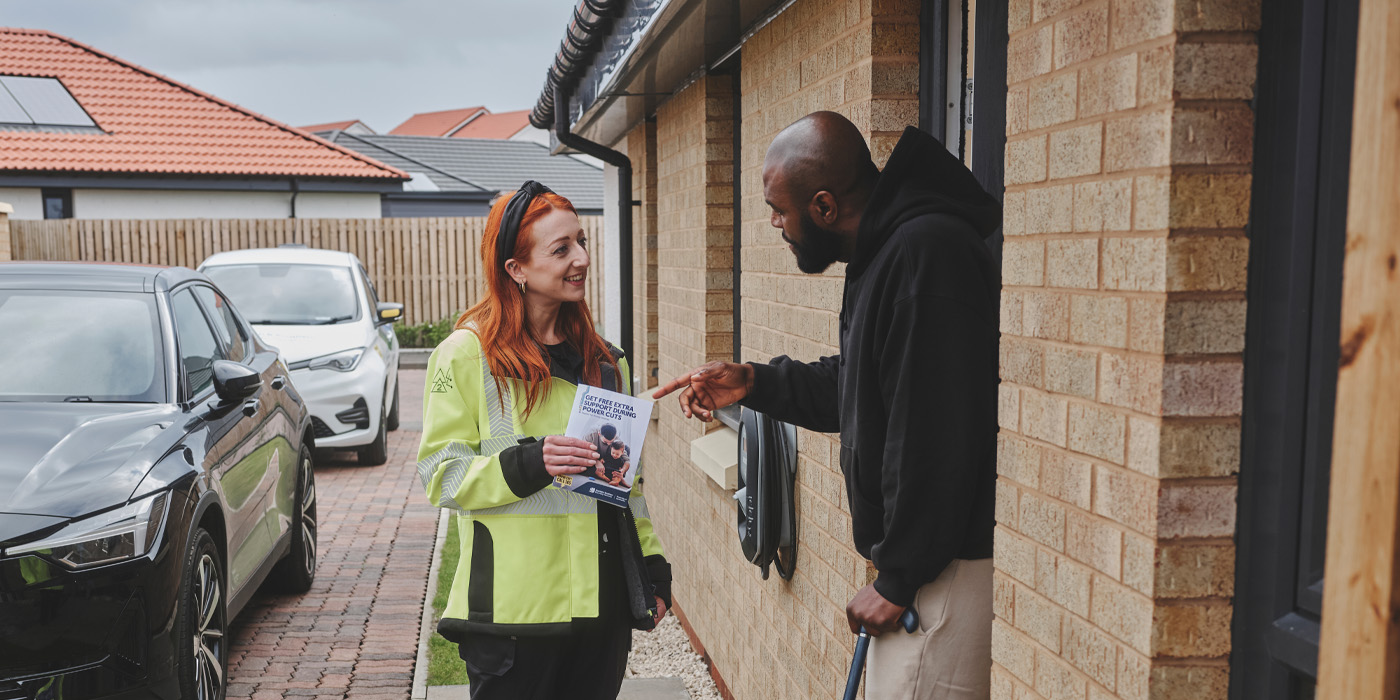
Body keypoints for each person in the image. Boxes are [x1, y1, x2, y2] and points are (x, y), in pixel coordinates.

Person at [654, 113, 1000, 699]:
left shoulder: (924, 254)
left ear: (823, 207)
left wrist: (898, 577)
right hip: (923, 567)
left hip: (943, 573)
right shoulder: (887, 253)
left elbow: (936, 433)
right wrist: (754, 383)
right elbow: (865, 391)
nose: (774, 223)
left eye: (779, 209)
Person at [418, 181, 672, 700]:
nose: (581, 257)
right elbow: (440, 475)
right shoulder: (464, 357)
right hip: (511, 620)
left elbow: (628, 486)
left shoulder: (606, 362)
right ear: (516, 268)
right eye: (561, 249)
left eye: (581, 242)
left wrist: (651, 565)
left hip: (600, 617)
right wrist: (531, 463)